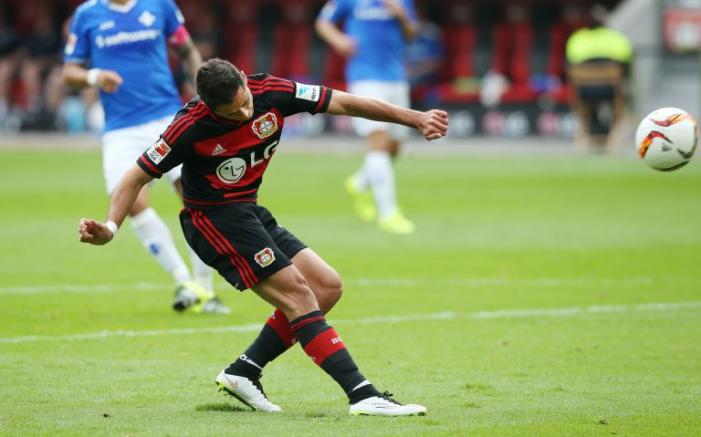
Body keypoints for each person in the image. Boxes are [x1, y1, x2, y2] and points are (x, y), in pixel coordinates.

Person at [78, 58, 449, 415]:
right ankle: (362, 394)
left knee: (325, 287)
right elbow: (135, 176)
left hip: (248, 211)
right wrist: (110, 228)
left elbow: (344, 101)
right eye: (231, 112)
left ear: (243, 78)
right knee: (300, 295)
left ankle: (245, 371)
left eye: (244, 103)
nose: (243, 115)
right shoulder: (188, 127)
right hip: (212, 220)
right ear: (208, 106)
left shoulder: (271, 91)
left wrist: (414, 118)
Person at [63, 0, 228, 313]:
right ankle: (184, 282)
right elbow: (69, 71)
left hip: (166, 117)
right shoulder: (87, 15)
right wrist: (95, 76)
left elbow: (186, 49)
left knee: (192, 196)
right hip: (120, 129)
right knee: (130, 204)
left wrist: (205, 91)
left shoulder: (159, 6)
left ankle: (205, 288)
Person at [316, 0, 420, 235]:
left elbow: (412, 34)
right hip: (365, 78)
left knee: (394, 147)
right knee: (379, 142)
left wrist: (401, 14)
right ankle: (388, 213)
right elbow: (323, 22)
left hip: (396, 77)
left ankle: (360, 182)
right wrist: (338, 40)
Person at [566, 4, 633, 151]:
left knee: (582, 96)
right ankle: (613, 136)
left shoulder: (576, 39)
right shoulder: (617, 39)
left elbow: (570, 66)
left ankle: (586, 134)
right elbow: (626, 67)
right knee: (623, 93)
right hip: (610, 91)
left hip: (584, 91)